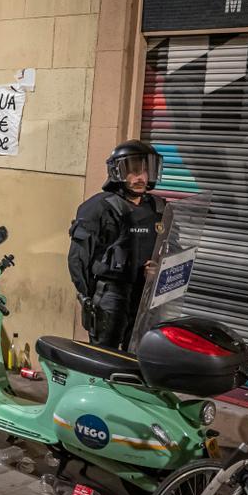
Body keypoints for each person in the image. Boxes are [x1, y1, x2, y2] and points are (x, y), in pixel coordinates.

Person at [68, 140, 167, 351]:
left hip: (146, 295)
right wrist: (90, 298)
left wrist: (160, 268)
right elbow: (78, 259)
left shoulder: (160, 208)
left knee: (140, 355)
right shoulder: (99, 208)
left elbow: (171, 248)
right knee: (105, 355)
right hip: (111, 295)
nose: (140, 177)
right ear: (117, 172)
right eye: (132, 171)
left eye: (145, 171)